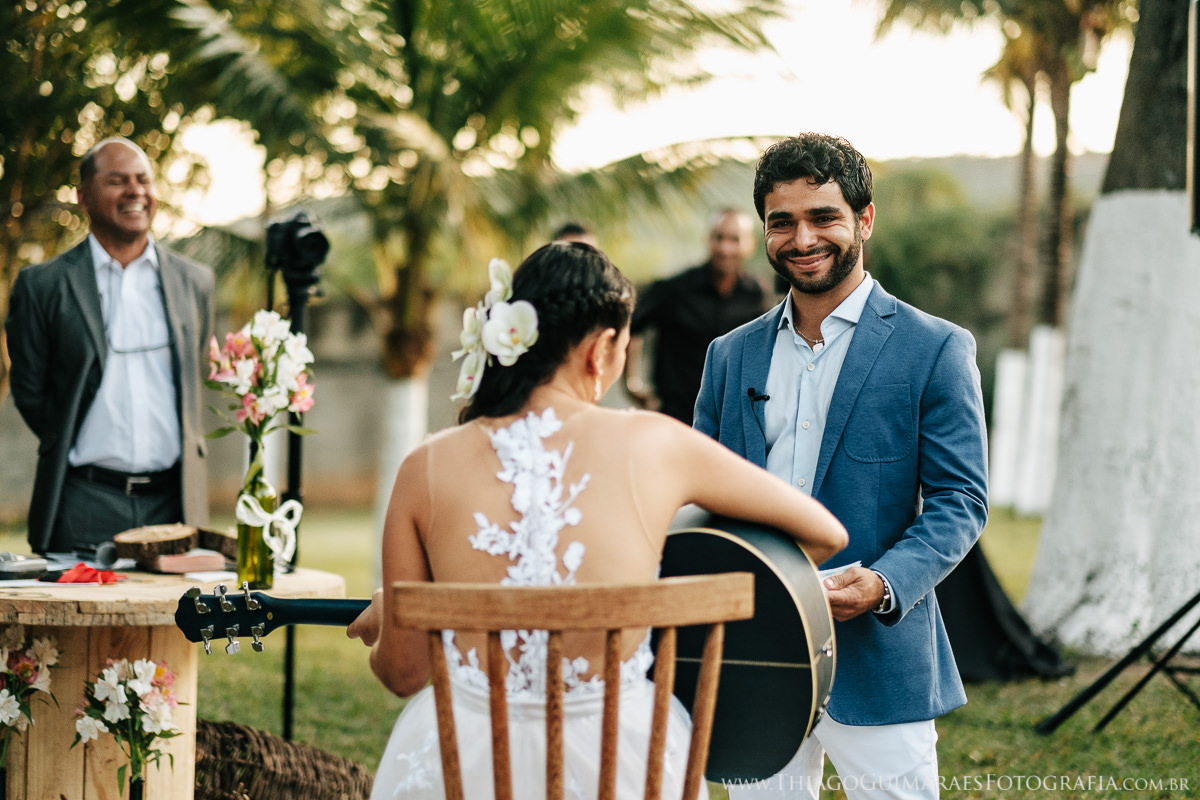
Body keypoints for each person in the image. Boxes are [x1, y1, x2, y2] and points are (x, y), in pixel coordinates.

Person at [348, 242, 847, 799]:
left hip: (461, 769)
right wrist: (667, 570)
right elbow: (825, 532)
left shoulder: (424, 466)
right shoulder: (656, 443)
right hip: (625, 769)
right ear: (602, 347)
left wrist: (400, 615)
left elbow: (403, 673)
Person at [694, 133, 988, 799]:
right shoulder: (728, 356)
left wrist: (882, 584)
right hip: (752, 655)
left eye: (823, 217)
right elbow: (700, 495)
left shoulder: (936, 348)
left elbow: (960, 502)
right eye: (782, 222)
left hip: (879, 655)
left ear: (864, 219)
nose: (802, 239)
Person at [6, 137, 215, 555]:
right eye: (117, 181)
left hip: (174, 505)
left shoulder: (195, 281)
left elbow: (194, 373)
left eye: (143, 180)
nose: (135, 191)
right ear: (83, 197)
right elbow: (29, 391)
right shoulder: (42, 285)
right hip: (82, 504)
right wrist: (70, 434)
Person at [626, 207, 768, 424]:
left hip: (731, 420)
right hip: (677, 419)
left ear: (750, 244)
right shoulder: (674, 289)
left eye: (735, 239)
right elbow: (630, 325)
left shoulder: (757, 296)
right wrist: (632, 382)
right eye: (718, 237)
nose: (725, 248)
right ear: (708, 239)